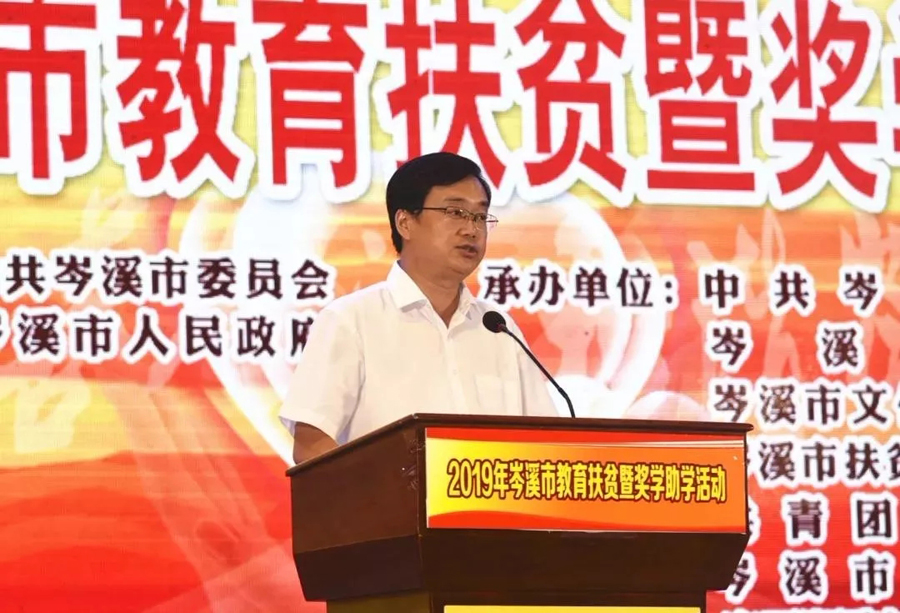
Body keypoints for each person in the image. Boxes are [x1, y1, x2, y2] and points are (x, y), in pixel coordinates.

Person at [279, 152, 561, 464]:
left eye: (480, 216)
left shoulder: (498, 329)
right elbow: (312, 444)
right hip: (387, 497)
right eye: (455, 212)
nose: (471, 229)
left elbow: (550, 442)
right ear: (405, 222)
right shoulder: (351, 320)